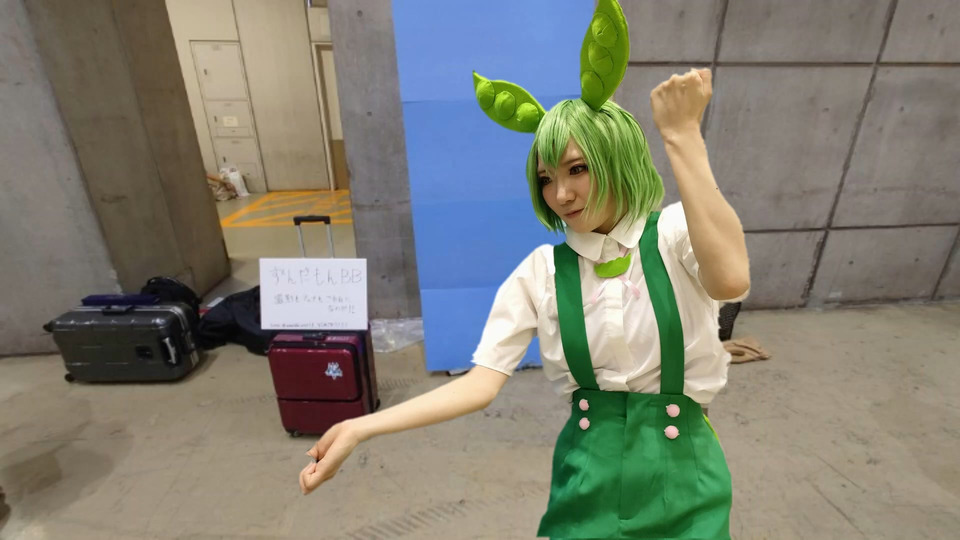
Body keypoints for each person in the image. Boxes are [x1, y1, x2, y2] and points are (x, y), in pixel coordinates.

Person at [300, 1, 749, 538]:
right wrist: (360, 426)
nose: (561, 194)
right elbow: (479, 384)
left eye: (577, 169)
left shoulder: (676, 234)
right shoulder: (541, 273)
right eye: (546, 178)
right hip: (588, 478)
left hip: (687, 478)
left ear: (618, 158)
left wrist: (681, 136)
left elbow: (731, 279)